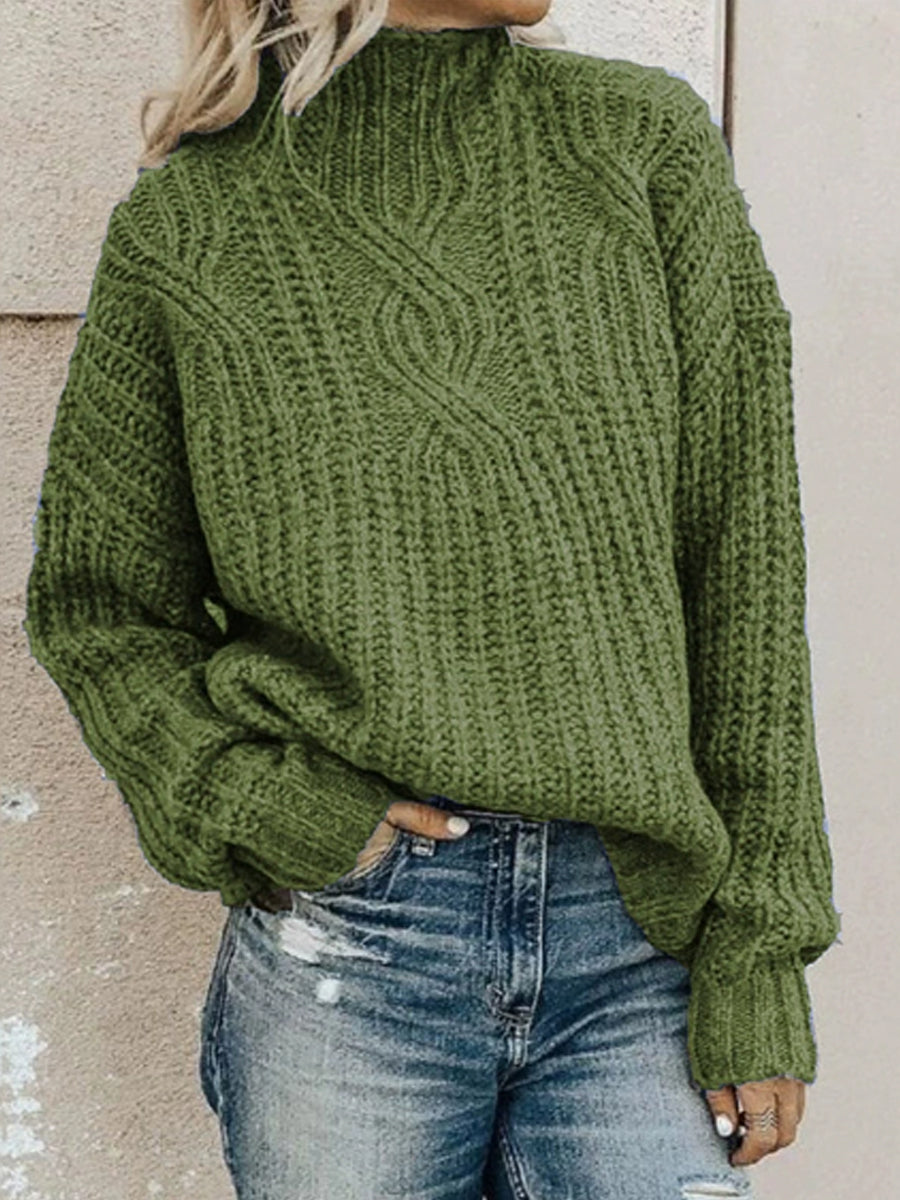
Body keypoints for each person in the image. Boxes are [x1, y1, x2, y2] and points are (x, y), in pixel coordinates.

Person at [23, 0, 842, 1195]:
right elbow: (101, 610)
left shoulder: (640, 145)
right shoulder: (194, 220)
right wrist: (268, 806)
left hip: (637, 935)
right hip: (357, 949)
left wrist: (760, 951)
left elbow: (745, 571)